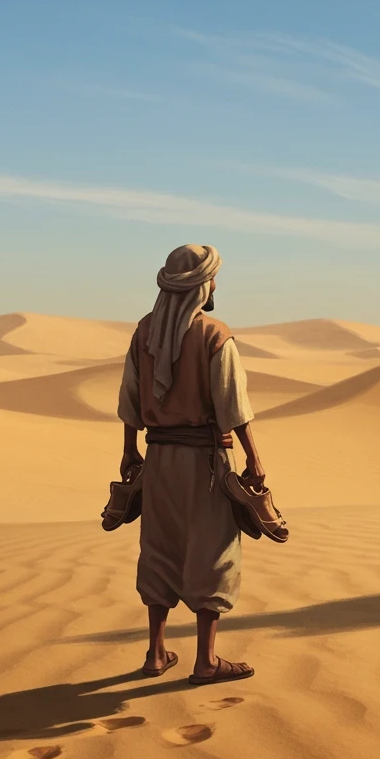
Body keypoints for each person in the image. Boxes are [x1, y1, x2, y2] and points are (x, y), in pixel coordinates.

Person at [116, 243, 265, 685]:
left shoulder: (144, 332)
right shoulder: (214, 335)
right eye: (213, 278)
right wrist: (255, 458)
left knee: (160, 547)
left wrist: (129, 450)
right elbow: (233, 405)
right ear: (201, 285)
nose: (216, 285)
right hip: (205, 463)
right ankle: (206, 661)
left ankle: (156, 654)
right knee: (212, 551)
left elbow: (130, 399)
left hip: (159, 461)